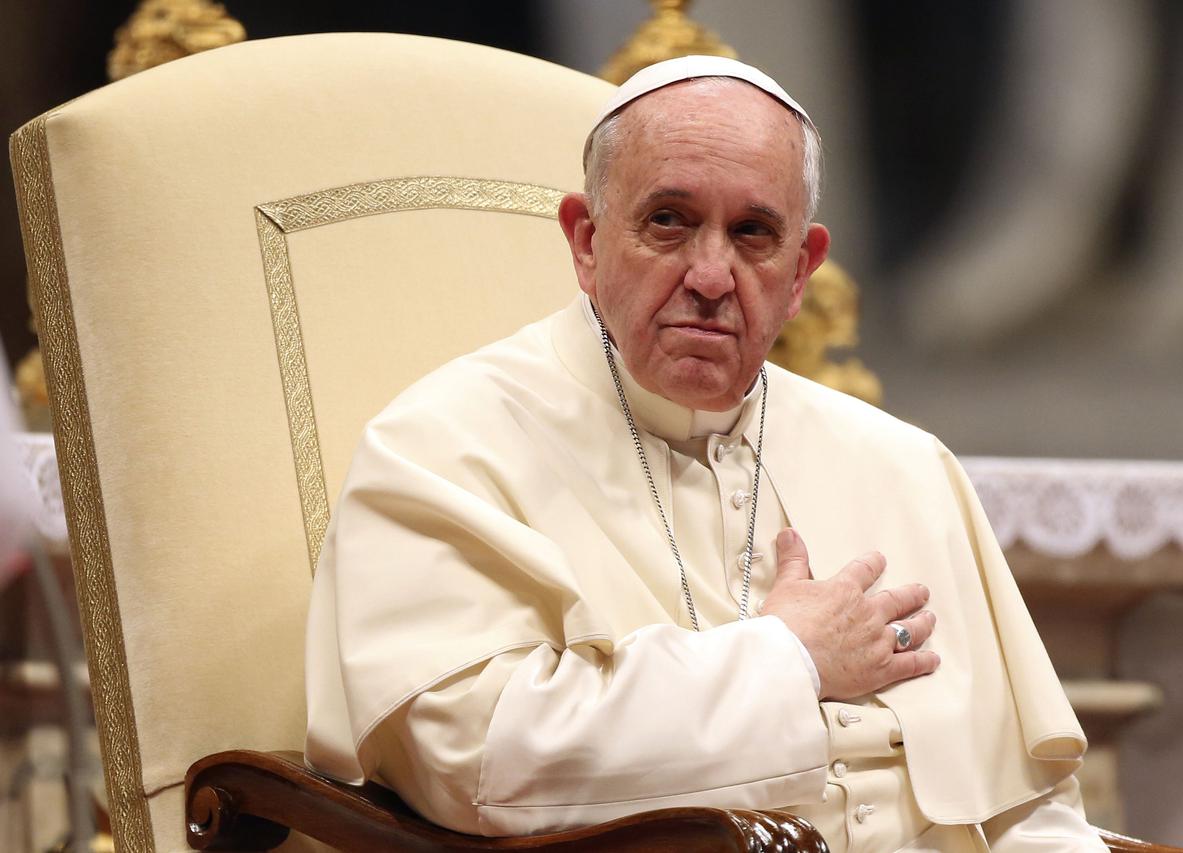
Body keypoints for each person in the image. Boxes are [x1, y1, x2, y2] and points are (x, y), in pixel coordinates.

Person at [304, 56, 1107, 852]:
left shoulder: (904, 464)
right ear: (586, 242)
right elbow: (476, 761)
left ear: (801, 275)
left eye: (754, 233)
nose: (712, 275)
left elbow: (1031, 812)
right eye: (669, 221)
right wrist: (787, 659)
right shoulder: (443, 444)